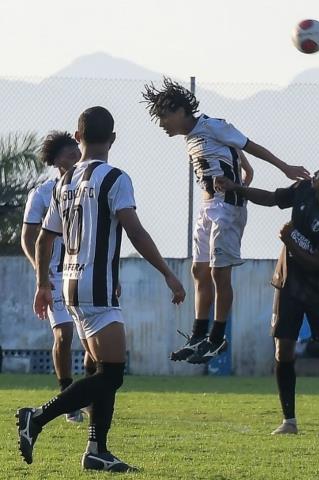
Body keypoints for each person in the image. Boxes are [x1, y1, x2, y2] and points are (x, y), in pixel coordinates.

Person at [16, 106, 186, 472]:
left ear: (78, 138)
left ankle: (96, 450)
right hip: (98, 289)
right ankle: (38, 418)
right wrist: (168, 273)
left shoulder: (62, 183)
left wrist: (43, 283)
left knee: (99, 370)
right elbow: (135, 231)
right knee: (112, 375)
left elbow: (45, 238)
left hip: (72, 285)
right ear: (112, 139)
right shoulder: (115, 178)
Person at [142, 78, 310, 365]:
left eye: (164, 117)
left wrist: (284, 168)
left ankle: (217, 339)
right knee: (199, 270)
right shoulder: (191, 139)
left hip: (226, 208)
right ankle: (198, 335)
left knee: (220, 274)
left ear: (180, 110)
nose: (162, 124)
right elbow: (245, 164)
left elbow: (250, 146)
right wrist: (243, 178)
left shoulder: (213, 125)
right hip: (207, 207)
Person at [217, 157, 319, 437]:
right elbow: (272, 198)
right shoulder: (303, 190)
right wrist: (235, 187)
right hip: (288, 285)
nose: (315, 173)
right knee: (282, 350)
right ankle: (289, 421)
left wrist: (289, 240)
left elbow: (317, 262)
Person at [21, 131, 93, 423]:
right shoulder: (41, 194)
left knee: (91, 342)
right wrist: (41, 274)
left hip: (86, 273)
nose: (76, 157)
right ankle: (67, 396)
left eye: (77, 151)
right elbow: (29, 238)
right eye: (68, 154)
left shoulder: (90, 188)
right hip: (55, 276)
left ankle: (87, 394)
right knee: (64, 336)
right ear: (55, 161)